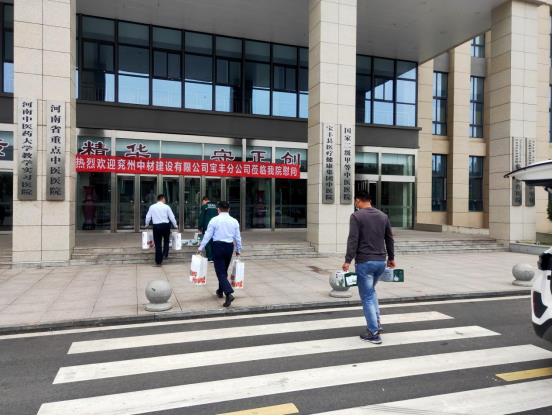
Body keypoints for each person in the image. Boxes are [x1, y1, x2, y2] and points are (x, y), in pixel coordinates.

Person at [342, 190, 395, 344]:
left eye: (355, 201)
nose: (355, 204)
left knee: (366, 297)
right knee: (371, 293)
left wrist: (347, 260)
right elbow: (389, 239)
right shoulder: (383, 216)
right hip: (380, 262)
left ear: (358, 200)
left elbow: (353, 239)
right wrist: (391, 258)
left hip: (365, 262)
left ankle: (373, 333)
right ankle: (377, 323)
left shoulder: (356, 216)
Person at [198, 201, 242, 307]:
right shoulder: (234, 221)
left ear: (218, 209)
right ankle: (220, 291)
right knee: (223, 270)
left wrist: (200, 247)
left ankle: (228, 293)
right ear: (229, 209)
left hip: (218, 246)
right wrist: (238, 249)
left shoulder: (214, 220)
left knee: (220, 272)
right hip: (229, 247)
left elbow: (208, 235)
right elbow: (238, 237)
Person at [145, 194, 178, 267]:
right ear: (162, 199)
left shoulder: (152, 207)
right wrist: (175, 225)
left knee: (158, 244)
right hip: (166, 226)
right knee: (166, 241)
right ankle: (165, 254)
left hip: (156, 226)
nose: (165, 200)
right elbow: (172, 217)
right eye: (164, 199)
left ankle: (158, 261)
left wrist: (146, 224)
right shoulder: (167, 207)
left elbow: (148, 217)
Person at [198, 196, 218, 262]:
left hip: (207, 226)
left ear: (204, 200)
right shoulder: (216, 206)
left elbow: (201, 217)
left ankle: (210, 257)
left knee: (207, 241)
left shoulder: (204, 207)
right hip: (216, 226)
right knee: (214, 240)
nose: (202, 203)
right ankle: (214, 256)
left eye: (202, 202)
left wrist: (200, 227)